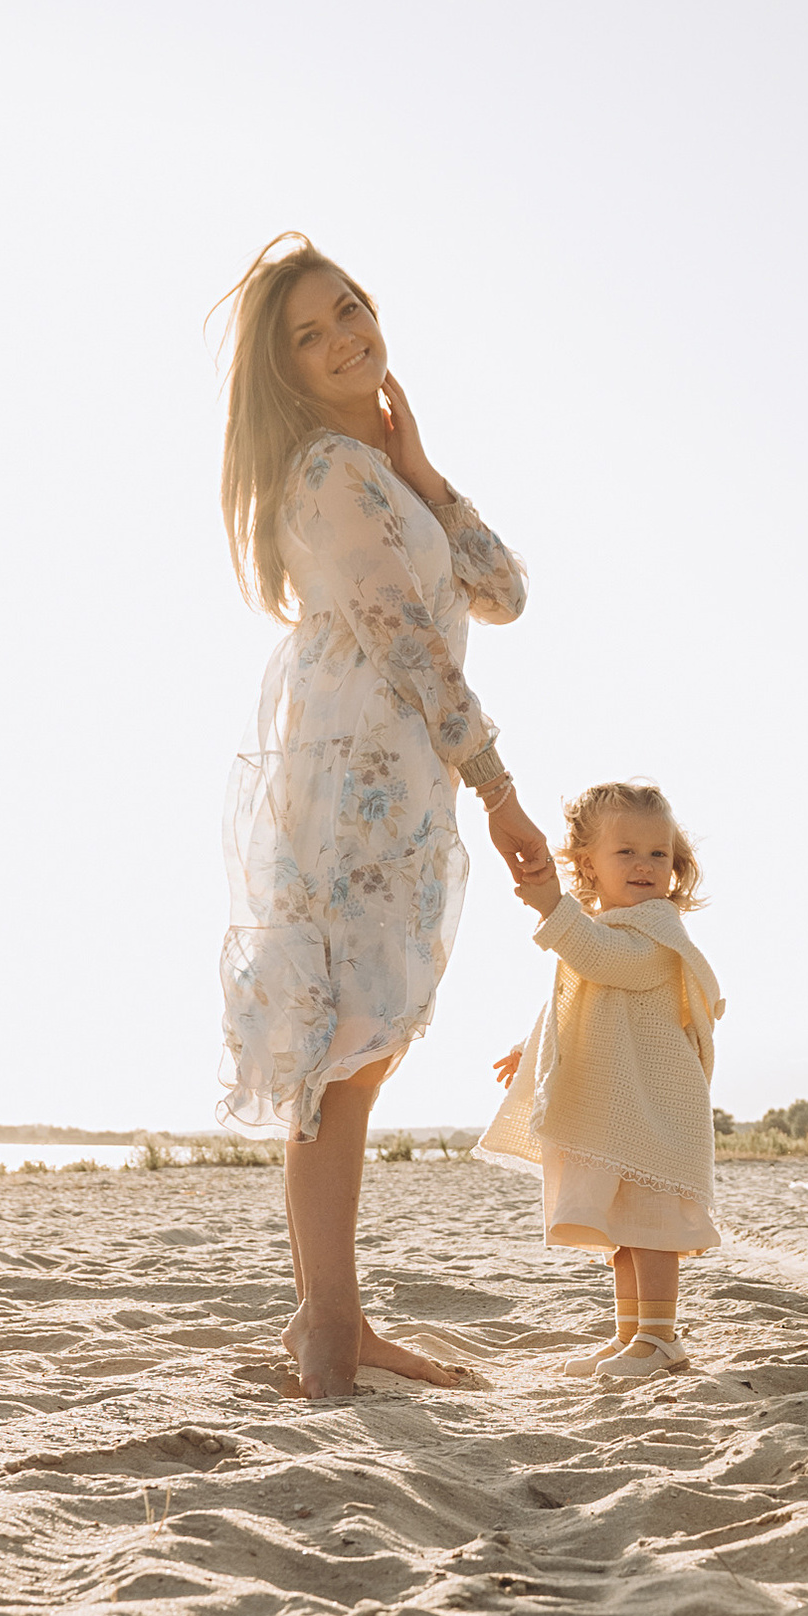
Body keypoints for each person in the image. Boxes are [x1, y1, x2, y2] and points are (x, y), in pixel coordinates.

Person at [216, 234, 549, 1401]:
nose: (342, 337)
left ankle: (337, 1320)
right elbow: (410, 644)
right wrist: (501, 790)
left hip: (403, 780)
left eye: (347, 309)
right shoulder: (319, 476)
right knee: (338, 1062)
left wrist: (422, 463)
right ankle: (330, 1328)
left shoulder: (379, 469)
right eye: (309, 335)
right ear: (286, 372)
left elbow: (502, 592)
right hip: (359, 776)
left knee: (362, 1057)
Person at [478, 783, 723, 1380]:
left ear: (676, 865)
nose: (645, 866)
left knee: (653, 1225)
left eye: (659, 855)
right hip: (622, 1106)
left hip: (655, 1106)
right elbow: (573, 999)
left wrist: (550, 908)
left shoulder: (658, 931)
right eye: (627, 853)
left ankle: (661, 1338)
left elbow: (605, 962)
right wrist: (529, 1048)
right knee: (622, 1231)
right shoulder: (604, 928)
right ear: (588, 863)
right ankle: (628, 1337)